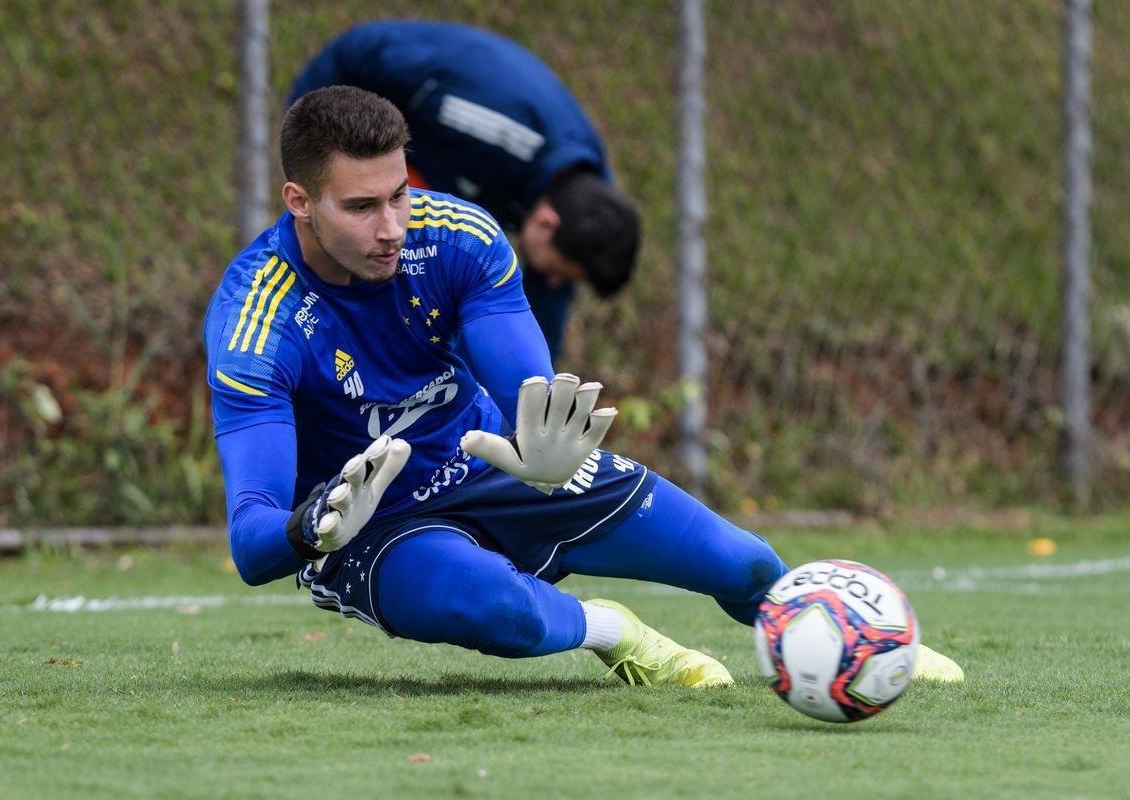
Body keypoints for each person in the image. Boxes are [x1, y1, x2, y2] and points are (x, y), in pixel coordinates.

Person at [204, 86, 963, 687]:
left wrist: (543, 446)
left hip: (495, 465)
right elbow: (251, 539)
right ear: (299, 201)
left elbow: (527, 386)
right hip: (379, 526)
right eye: (362, 207)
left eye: (399, 193)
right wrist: (314, 528)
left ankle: (864, 649)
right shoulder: (256, 326)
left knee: (743, 563)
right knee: (502, 613)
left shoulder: (459, 238)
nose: (393, 225)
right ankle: (616, 632)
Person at [286, 20, 640, 363]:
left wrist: (533, 396)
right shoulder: (496, 131)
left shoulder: (584, 202)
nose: (554, 280)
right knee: (379, 248)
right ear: (546, 222)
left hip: (430, 159)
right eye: (559, 272)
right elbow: (371, 55)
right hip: (349, 80)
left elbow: (542, 315)